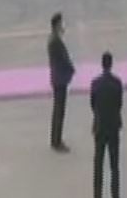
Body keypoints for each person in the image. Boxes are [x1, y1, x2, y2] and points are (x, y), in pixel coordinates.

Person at [90, 51, 123, 198]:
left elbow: (93, 104)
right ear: (111, 64)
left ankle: (97, 194)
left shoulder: (95, 83)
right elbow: (119, 103)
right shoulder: (117, 83)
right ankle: (115, 194)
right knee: (114, 164)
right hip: (113, 125)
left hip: (100, 126)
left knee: (98, 163)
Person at [48, 11, 75, 152]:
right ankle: (56, 141)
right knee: (59, 111)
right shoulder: (55, 42)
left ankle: (56, 139)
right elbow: (63, 60)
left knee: (58, 110)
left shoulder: (55, 39)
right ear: (57, 24)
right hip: (59, 79)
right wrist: (71, 70)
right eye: (61, 23)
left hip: (58, 78)